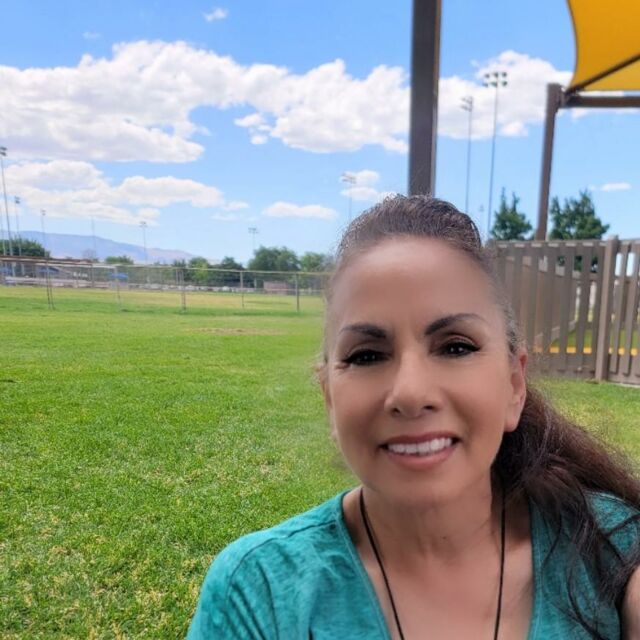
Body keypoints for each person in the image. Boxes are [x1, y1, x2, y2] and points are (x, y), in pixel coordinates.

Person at [187, 195, 640, 639]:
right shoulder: (258, 593)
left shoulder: (612, 546)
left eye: (456, 347)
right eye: (366, 355)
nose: (410, 393)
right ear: (329, 399)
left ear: (514, 385)